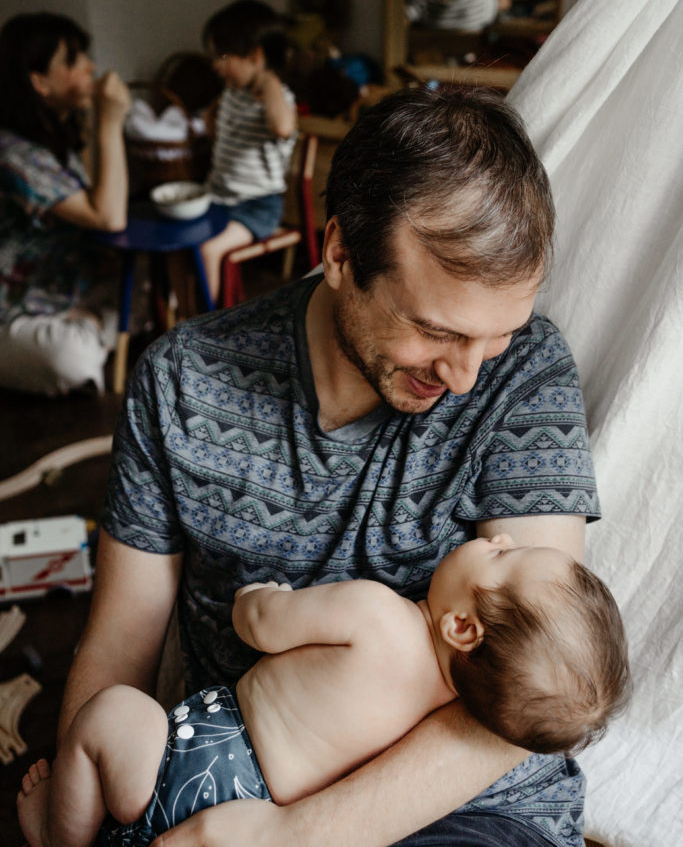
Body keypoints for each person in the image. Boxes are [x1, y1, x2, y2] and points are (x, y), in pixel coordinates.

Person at [54, 85, 601, 847]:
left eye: (496, 335)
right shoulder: (182, 381)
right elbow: (119, 646)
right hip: (230, 779)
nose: (468, 376)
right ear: (339, 252)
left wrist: (289, 837)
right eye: (435, 330)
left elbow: (528, 690)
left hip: (465, 808)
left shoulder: (528, 375)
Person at [17, 534, 630, 847]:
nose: (497, 538)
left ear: (462, 627)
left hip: (192, 764)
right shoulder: (444, 712)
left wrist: (260, 597)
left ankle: (57, 834)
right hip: (254, 817)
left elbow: (261, 628)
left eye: (507, 555)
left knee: (110, 715)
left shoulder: (377, 617)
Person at [0, 12, 130, 396]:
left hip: (67, 282)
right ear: (39, 81)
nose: (91, 67)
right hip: (13, 307)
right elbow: (108, 216)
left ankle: (93, 325)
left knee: (163, 280)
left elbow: (104, 205)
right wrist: (110, 122)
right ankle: (99, 330)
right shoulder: (14, 154)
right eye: (74, 60)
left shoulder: (55, 136)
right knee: (70, 359)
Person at [199, 0, 298, 301]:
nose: (216, 65)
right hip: (217, 198)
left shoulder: (277, 97)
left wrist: (268, 82)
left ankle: (206, 324)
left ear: (256, 56)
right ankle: (184, 311)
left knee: (208, 250)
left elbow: (282, 127)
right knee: (179, 243)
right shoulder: (232, 92)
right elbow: (217, 129)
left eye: (223, 56)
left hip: (257, 207)